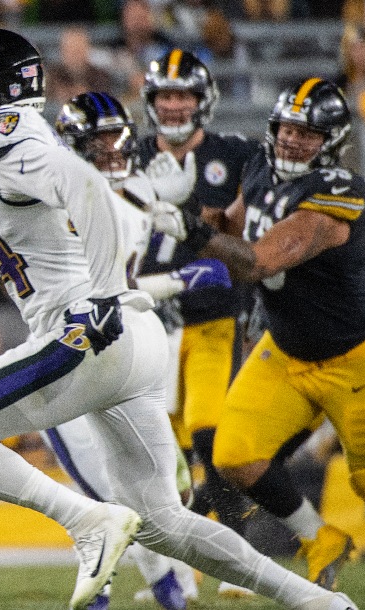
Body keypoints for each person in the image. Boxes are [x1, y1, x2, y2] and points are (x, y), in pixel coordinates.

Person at [0, 27, 357, 610]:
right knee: (164, 523)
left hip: (85, 331)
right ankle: (317, 602)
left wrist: (103, 296)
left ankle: (86, 521)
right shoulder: (0, 170)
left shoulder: (2, 134)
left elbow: (86, 185)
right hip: (132, 340)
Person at [153, 77, 365, 604]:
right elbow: (233, 226)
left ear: (331, 140)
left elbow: (258, 261)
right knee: (234, 455)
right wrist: (191, 208)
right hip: (284, 348)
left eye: (306, 133)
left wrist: (186, 227)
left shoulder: (340, 193)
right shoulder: (262, 164)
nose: (291, 139)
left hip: (352, 357)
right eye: (286, 128)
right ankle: (320, 537)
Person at [52, 90, 233, 610]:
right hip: (63, 359)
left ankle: (173, 589)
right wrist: (179, 280)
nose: (113, 150)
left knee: (158, 488)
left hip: (121, 356)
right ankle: (129, 592)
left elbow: (124, 282)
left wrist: (165, 213)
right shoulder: (56, 203)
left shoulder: (131, 190)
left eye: (117, 138)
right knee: (106, 499)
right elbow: (103, 293)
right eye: (100, 141)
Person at [136, 50, 264, 593]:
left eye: (182, 94)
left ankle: (238, 559)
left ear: (202, 100)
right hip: (152, 322)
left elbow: (256, 218)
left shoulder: (234, 154)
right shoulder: (132, 154)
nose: (173, 105)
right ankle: (177, 571)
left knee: (211, 437)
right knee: (160, 453)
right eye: (165, 95)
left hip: (213, 318)